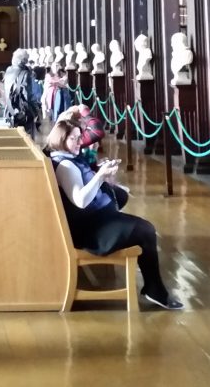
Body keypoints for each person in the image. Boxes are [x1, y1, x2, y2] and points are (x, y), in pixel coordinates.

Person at [47, 118, 182, 311]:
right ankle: (155, 290)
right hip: (90, 231)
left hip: (93, 220)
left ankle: (153, 286)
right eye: (73, 139)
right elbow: (80, 200)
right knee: (146, 230)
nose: (79, 142)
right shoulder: (65, 166)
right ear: (61, 140)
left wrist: (103, 174)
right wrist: (100, 176)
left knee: (122, 197)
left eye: (79, 138)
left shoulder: (66, 158)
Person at [3, 49, 40, 137]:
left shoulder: (8, 70)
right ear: (23, 61)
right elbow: (29, 96)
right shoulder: (25, 73)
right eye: (26, 60)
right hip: (24, 113)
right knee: (28, 140)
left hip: (10, 110)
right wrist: (36, 111)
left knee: (14, 138)